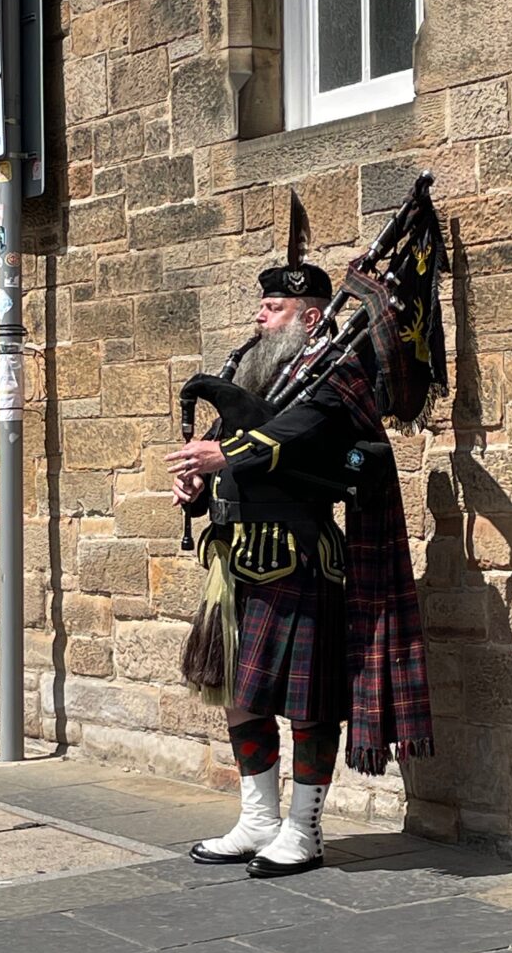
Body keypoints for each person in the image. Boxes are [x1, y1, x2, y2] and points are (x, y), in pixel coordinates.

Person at [166, 258, 434, 879]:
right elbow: (229, 447)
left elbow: (294, 434)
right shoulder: (255, 371)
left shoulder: (335, 373)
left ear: (311, 318)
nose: (260, 316)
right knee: (237, 693)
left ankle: (304, 830)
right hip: (234, 561)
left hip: (300, 559)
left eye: (275, 308)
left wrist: (223, 454)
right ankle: (258, 820)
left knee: (308, 704)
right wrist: (198, 488)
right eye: (261, 306)